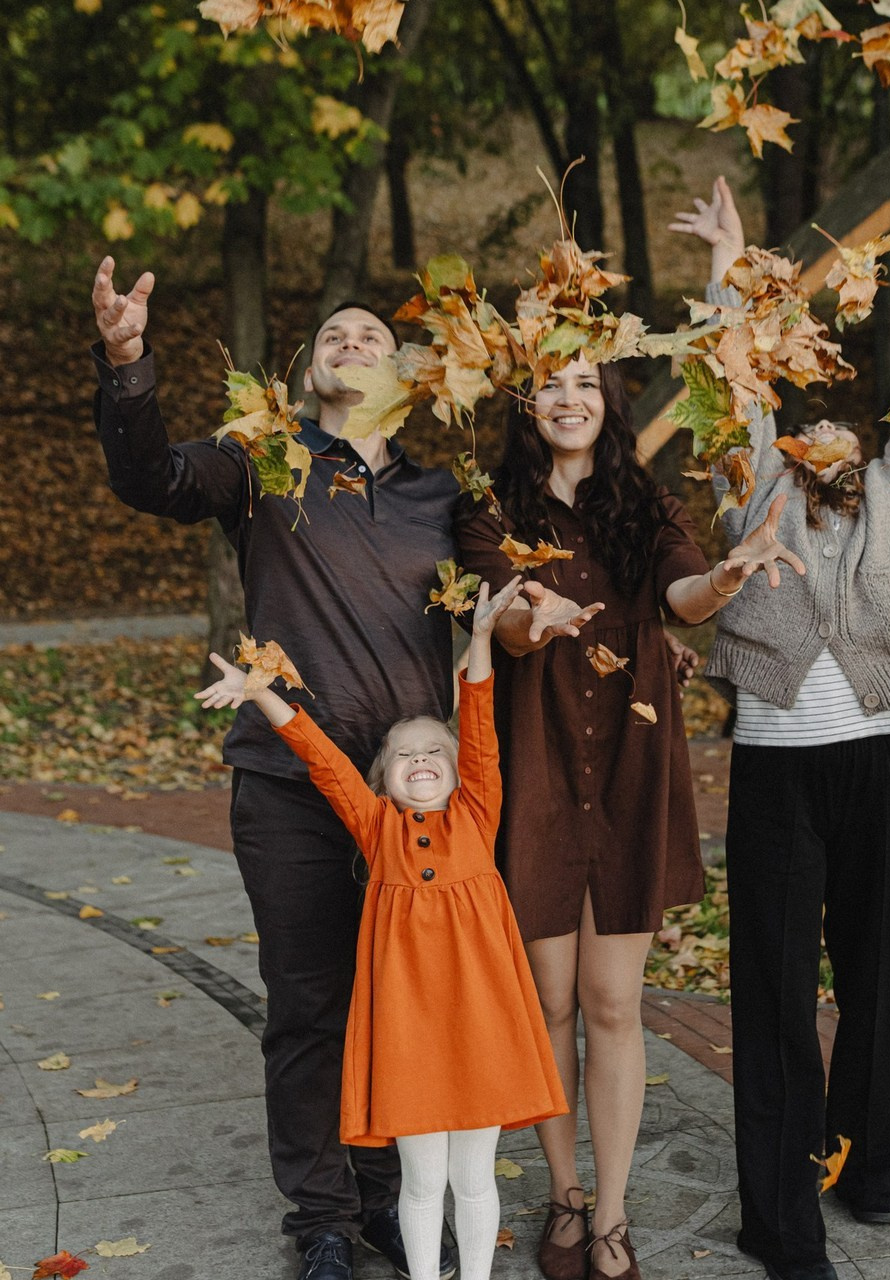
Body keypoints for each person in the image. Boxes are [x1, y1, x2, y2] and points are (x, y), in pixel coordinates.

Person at [668, 171, 890, 1280]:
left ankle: (873, 1164)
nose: (816, 430)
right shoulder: (753, 479)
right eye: (801, 418)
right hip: (775, 772)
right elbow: (737, 389)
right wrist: (729, 265)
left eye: (836, 420)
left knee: (870, 973)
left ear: (863, 440)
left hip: (874, 764)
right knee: (771, 992)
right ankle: (782, 1220)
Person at [90, 259, 459, 1280]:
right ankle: (323, 1216)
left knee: (398, 999)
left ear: (408, 374)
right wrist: (127, 359)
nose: (350, 341)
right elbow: (149, 479)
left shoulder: (441, 494)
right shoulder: (262, 461)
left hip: (406, 800)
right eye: (332, 335)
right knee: (306, 1000)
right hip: (290, 783)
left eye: (371, 335)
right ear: (303, 375)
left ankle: (388, 1192)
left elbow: (512, 596)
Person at [453, 354, 804, 1280]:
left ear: (610, 403)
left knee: (612, 1003)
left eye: (586, 384)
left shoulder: (649, 507)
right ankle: (563, 1196)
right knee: (550, 1004)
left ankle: (610, 1212)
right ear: (529, 406)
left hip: (630, 775)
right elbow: (511, 626)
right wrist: (541, 613)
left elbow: (683, 598)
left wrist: (728, 575)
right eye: (551, 385)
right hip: (535, 767)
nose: (570, 399)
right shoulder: (490, 511)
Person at [194, 576, 568, 1280]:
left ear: (458, 775)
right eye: (403, 754)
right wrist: (261, 693)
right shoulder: (376, 830)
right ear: (384, 779)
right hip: (410, 1032)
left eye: (434, 750)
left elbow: (480, 725)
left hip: (480, 1021)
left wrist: (482, 640)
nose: (421, 759)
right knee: (422, 1181)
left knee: (476, 1177)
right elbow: (322, 760)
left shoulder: (475, 818)